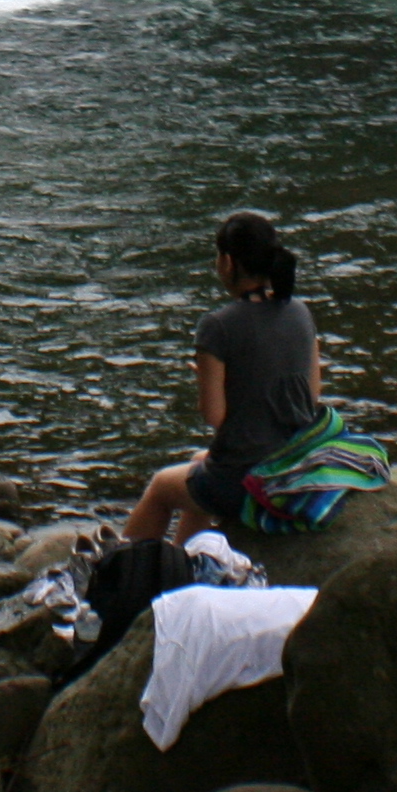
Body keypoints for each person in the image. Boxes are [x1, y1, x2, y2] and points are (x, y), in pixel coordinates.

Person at [124, 212, 323, 545]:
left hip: (250, 478)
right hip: (294, 464)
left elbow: (215, 416)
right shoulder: (300, 311)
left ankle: (114, 575)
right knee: (198, 465)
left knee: (161, 486)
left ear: (228, 262)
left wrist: (207, 380)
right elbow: (311, 396)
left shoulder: (217, 326)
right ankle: (184, 566)